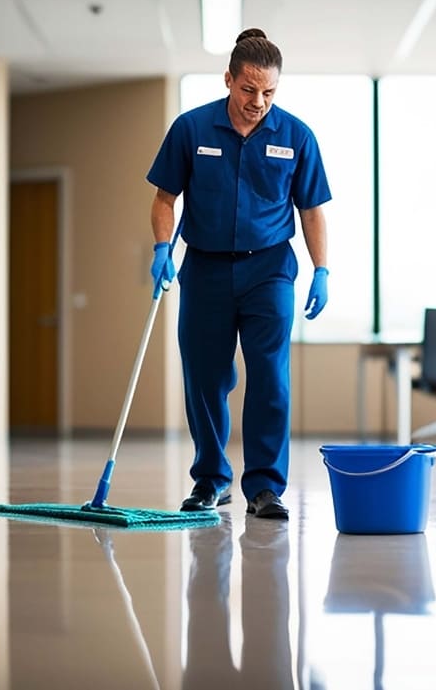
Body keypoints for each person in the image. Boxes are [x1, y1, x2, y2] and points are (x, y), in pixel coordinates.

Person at [146, 28, 331, 520]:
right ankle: (211, 480)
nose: (258, 102)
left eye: (269, 92)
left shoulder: (296, 136)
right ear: (228, 79)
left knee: (270, 377)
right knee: (205, 378)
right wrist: (162, 247)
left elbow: (312, 210)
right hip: (204, 270)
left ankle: (265, 488)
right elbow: (165, 198)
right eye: (249, 90)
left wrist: (322, 269)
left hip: (269, 270)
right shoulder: (192, 129)